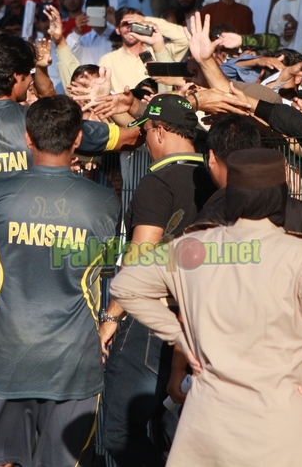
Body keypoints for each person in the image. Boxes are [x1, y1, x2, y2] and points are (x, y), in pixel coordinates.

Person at [0, 32, 138, 456]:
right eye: (29, 75)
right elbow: (128, 137)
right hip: (51, 296)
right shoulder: (44, 124)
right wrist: (129, 108)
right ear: (17, 78)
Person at [108, 147, 302, 466]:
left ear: (231, 195)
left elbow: (126, 285)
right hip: (287, 428)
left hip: (208, 430)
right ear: (281, 196)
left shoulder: (194, 249)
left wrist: (178, 335)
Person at [0, 95, 121, 467]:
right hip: (73, 358)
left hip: (6, 352)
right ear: (78, 139)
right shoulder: (104, 202)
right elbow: (105, 267)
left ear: (28, 139)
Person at [100, 94, 217, 466]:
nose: (146, 141)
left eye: (147, 132)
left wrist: (112, 317)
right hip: (204, 318)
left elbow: (140, 255)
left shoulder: (159, 181)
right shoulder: (217, 177)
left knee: (118, 430)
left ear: (162, 131)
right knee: (175, 428)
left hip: (152, 322)